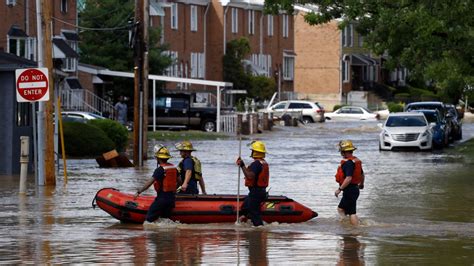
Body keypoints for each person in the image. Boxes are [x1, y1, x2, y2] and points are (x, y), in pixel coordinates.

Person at [135, 145, 180, 223]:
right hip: (171, 199)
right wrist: (174, 188)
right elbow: (180, 181)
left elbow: (149, 183)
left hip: (162, 199)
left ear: (158, 158)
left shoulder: (160, 170)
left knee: (148, 221)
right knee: (165, 220)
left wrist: (139, 191)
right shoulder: (174, 168)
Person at [236, 140, 269, 226]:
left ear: (256, 152)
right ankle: (247, 221)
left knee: (255, 213)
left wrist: (242, 165)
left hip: (256, 192)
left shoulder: (256, 164)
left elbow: (250, 176)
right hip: (260, 191)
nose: (252, 152)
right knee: (245, 206)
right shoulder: (263, 163)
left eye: (253, 150)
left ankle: (259, 230)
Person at [334, 140, 365, 226]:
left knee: (349, 211)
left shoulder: (348, 163)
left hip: (350, 190)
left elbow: (348, 178)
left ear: (344, 152)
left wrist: (339, 189)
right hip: (354, 189)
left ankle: (354, 229)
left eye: (341, 151)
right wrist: (361, 184)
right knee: (345, 210)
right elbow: (362, 174)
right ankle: (349, 226)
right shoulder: (355, 161)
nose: (341, 153)